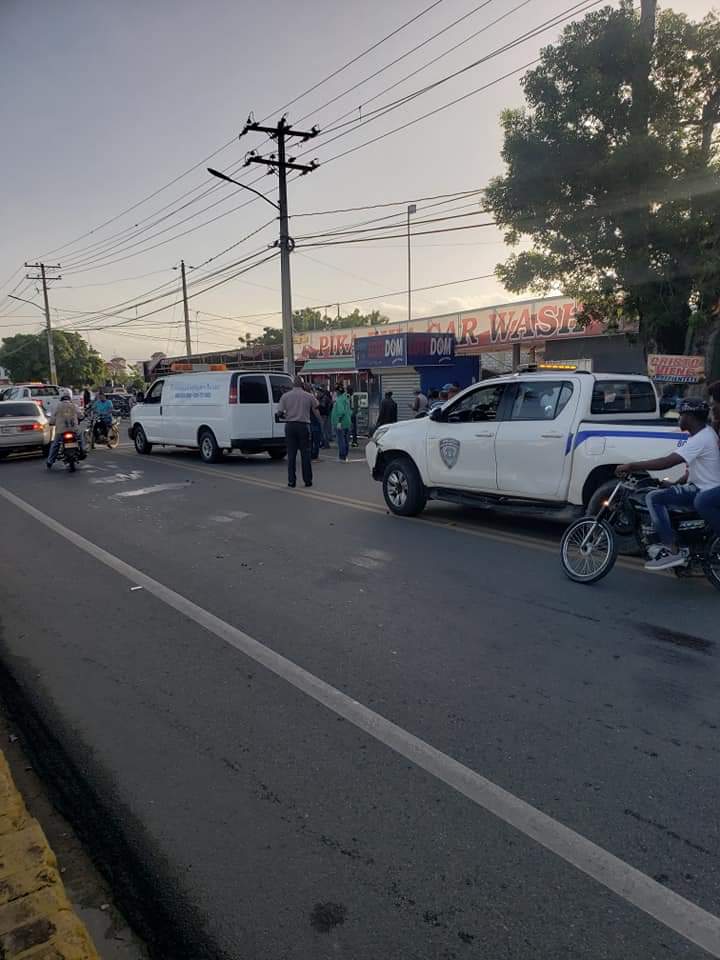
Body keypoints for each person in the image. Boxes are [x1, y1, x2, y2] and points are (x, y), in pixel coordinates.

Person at [616, 398, 720, 571]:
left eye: (681, 415)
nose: (679, 419)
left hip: (704, 490)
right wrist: (675, 483)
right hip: (700, 486)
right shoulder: (706, 433)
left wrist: (632, 465)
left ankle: (671, 549)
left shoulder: (701, 439)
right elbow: (697, 471)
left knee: (654, 498)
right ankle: (683, 544)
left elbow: (667, 462)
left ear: (690, 416)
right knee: (666, 493)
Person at [278, 376, 318, 487]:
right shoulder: (308, 396)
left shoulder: (285, 396)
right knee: (305, 454)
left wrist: (287, 415)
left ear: (292, 385)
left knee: (291, 455)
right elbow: (316, 406)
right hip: (304, 426)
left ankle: (291, 481)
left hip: (290, 426)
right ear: (302, 384)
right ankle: (307, 480)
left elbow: (280, 412)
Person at [47, 389, 84, 469]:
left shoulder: (57, 406)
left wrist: (51, 423)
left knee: (55, 445)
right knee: (80, 438)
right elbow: (81, 416)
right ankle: (82, 451)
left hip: (61, 431)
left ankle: (50, 461)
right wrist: (80, 419)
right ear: (70, 397)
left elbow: (52, 418)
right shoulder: (74, 405)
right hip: (74, 430)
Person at [331, 382, 352, 462]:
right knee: (346, 440)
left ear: (338, 392)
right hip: (347, 422)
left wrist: (339, 422)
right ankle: (345, 455)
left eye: (336, 391)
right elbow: (349, 410)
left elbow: (341, 411)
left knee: (341, 440)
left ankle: (342, 456)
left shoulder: (339, 399)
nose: (335, 393)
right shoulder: (346, 398)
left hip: (341, 423)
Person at [307, 384, 323, 461]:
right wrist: (320, 420)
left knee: (309, 441)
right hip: (314, 421)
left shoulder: (303, 398)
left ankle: (309, 455)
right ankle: (315, 456)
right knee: (316, 440)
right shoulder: (312, 398)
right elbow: (316, 410)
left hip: (307, 421)